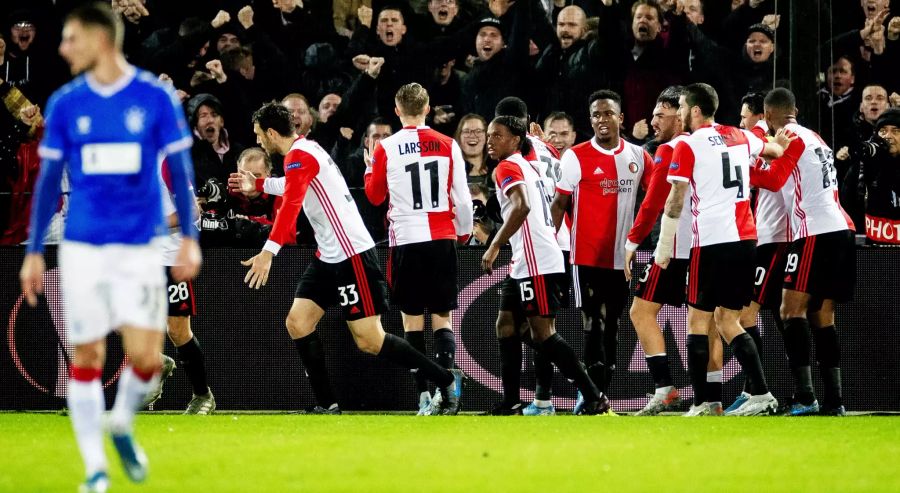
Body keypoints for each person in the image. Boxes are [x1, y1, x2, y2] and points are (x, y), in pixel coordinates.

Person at [18, 4, 201, 492]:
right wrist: (35, 250)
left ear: (100, 40)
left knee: (145, 360)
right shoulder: (64, 103)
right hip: (83, 248)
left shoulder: (154, 98)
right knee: (88, 356)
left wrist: (190, 239)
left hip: (141, 248)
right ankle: (95, 470)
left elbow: (183, 176)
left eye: (71, 38)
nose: (61, 48)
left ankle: (121, 421)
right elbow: (47, 182)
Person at [231, 102, 465, 415]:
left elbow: (291, 204)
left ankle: (446, 379)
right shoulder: (304, 152)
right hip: (328, 256)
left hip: (352, 254)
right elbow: (294, 186)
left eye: (260, 135)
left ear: (272, 133)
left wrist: (268, 252)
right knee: (298, 322)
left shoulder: (300, 156)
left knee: (369, 340)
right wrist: (259, 185)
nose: (259, 141)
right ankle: (328, 404)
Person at [655, 83, 791, 416]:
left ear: (696, 110)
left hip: (712, 240)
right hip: (746, 239)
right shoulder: (739, 135)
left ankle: (704, 401)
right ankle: (761, 394)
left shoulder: (688, 144)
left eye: (684, 107)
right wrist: (781, 141)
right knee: (729, 321)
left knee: (697, 323)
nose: (681, 113)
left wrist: (663, 244)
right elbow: (774, 152)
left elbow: (675, 199)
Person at [481, 115, 611, 416]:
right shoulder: (528, 165)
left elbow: (522, 205)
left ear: (515, 140)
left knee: (543, 333)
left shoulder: (507, 167)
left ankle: (593, 394)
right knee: (507, 325)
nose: (490, 140)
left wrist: (495, 244)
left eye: (497, 135)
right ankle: (512, 400)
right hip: (528, 259)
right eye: (489, 135)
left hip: (535, 258)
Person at [363, 83, 472, 414]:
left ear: (397, 111)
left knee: (412, 323)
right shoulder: (448, 144)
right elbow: (462, 198)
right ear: (428, 108)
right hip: (441, 238)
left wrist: (369, 167)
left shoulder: (386, 147)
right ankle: (447, 393)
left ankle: (425, 395)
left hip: (407, 241)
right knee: (443, 318)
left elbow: (375, 197)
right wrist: (463, 235)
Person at [750, 87, 857, 415]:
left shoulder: (791, 137)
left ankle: (805, 396)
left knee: (789, 311)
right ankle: (834, 401)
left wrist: (740, 167)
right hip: (842, 229)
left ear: (768, 118)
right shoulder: (816, 138)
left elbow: (772, 181)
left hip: (814, 232)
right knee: (821, 316)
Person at [550, 89, 653, 413]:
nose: (601, 120)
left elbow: (656, 198)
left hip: (621, 259)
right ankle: (589, 396)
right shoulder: (576, 156)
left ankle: (599, 396)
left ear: (621, 118)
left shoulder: (638, 156)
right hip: (586, 257)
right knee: (592, 324)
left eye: (608, 113)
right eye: (596, 115)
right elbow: (559, 204)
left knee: (613, 328)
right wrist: (549, 244)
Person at [486, 97, 565, 416]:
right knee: (511, 324)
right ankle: (529, 398)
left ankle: (545, 400)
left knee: (540, 327)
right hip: (553, 237)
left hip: (536, 244)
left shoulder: (516, 156)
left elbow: (520, 202)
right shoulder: (550, 151)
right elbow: (562, 195)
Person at [623, 86, 698, 415]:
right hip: (708, 244)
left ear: (680, 115)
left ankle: (666, 389)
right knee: (709, 321)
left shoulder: (671, 150)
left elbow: (653, 202)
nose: (653, 121)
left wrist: (632, 242)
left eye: (660, 114)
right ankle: (714, 398)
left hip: (675, 248)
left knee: (640, 312)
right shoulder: (711, 143)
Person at [725, 92, 790, 413]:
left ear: (759, 115)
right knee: (781, 316)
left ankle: (757, 393)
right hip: (769, 237)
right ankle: (776, 391)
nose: (741, 123)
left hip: (772, 238)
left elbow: (774, 180)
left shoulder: (762, 138)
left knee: (746, 315)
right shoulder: (766, 141)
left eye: (743, 116)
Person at [144, 159, 215, 415]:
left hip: (171, 258)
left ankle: (202, 395)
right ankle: (155, 361)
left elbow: (192, 211)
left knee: (177, 331)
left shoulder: (166, 164)